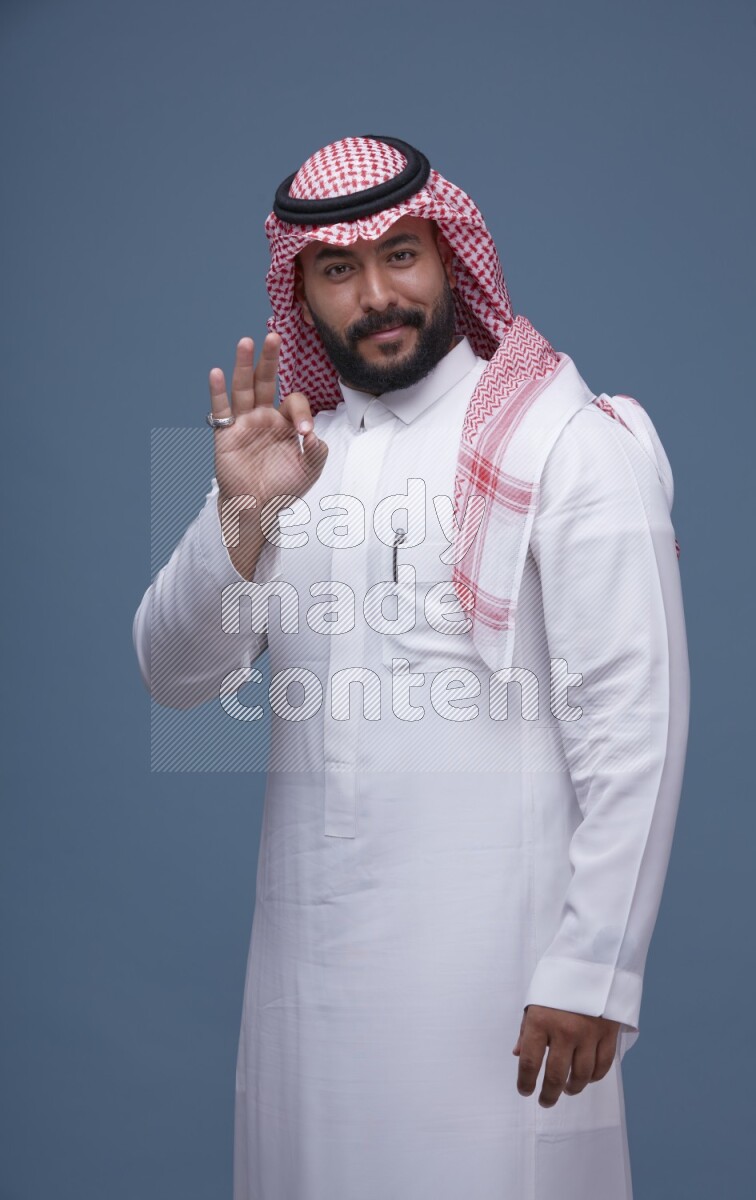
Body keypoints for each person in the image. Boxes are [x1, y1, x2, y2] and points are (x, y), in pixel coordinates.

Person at [133, 135, 690, 1199]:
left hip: (497, 986)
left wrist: (595, 965)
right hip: (304, 1000)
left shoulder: (565, 442)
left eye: (401, 255)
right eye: (339, 270)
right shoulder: (287, 459)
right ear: (300, 291)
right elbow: (172, 673)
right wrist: (242, 513)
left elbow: (634, 713)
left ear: (448, 258)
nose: (376, 294)